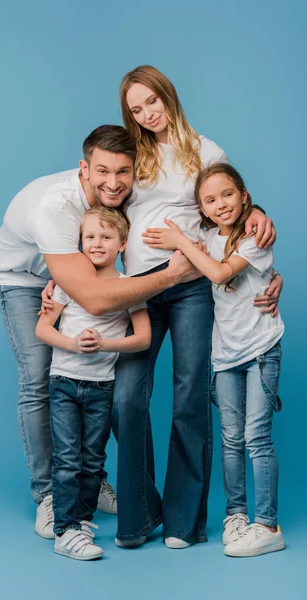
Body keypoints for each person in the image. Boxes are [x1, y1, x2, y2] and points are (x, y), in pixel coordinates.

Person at [0, 125, 198, 538]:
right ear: (83, 169)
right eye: (102, 171)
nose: (114, 182)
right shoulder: (55, 208)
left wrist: (254, 218)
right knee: (40, 377)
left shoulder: (121, 190)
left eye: (123, 172)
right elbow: (98, 300)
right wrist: (172, 276)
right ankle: (50, 495)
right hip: (25, 280)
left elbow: (199, 195)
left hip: (80, 277)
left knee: (92, 377)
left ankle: (89, 482)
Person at [112, 65, 282, 549]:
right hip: (140, 285)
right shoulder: (130, 154)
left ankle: (184, 522)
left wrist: (260, 212)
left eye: (152, 101)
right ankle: (141, 514)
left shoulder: (208, 151)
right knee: (126, 398)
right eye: (136, 108)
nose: (147, 114)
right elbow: (104, 207)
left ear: (168, 95)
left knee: (189, 398)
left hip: (192, 286)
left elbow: (229, 202)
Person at [142, 162, 285, 557]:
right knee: (230, 440)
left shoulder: (255, 237)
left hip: (259, 351)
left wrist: (180, 242)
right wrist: (182, 239)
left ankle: (267, 524)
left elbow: (221, 274)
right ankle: (236, 516)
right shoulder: (206, 234)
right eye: (210, 200)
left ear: (244, 196)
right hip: (224, 356)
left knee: (256, 438)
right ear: (202, 210)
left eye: (227, 194)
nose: (220, 204)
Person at [36, 207, 151, 560]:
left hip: (102, 386)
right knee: (68, 459)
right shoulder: (68, 283)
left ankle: (80, 522)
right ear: (80, 241)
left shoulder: (129, 287)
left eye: (106, 237)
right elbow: (42, 329)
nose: (97, 243)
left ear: (122, 244)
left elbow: (144, 338)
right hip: (64, 383)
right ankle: (65, 530)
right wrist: (73, 344)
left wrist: (105, 345)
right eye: (90, 236)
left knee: (92, 460)